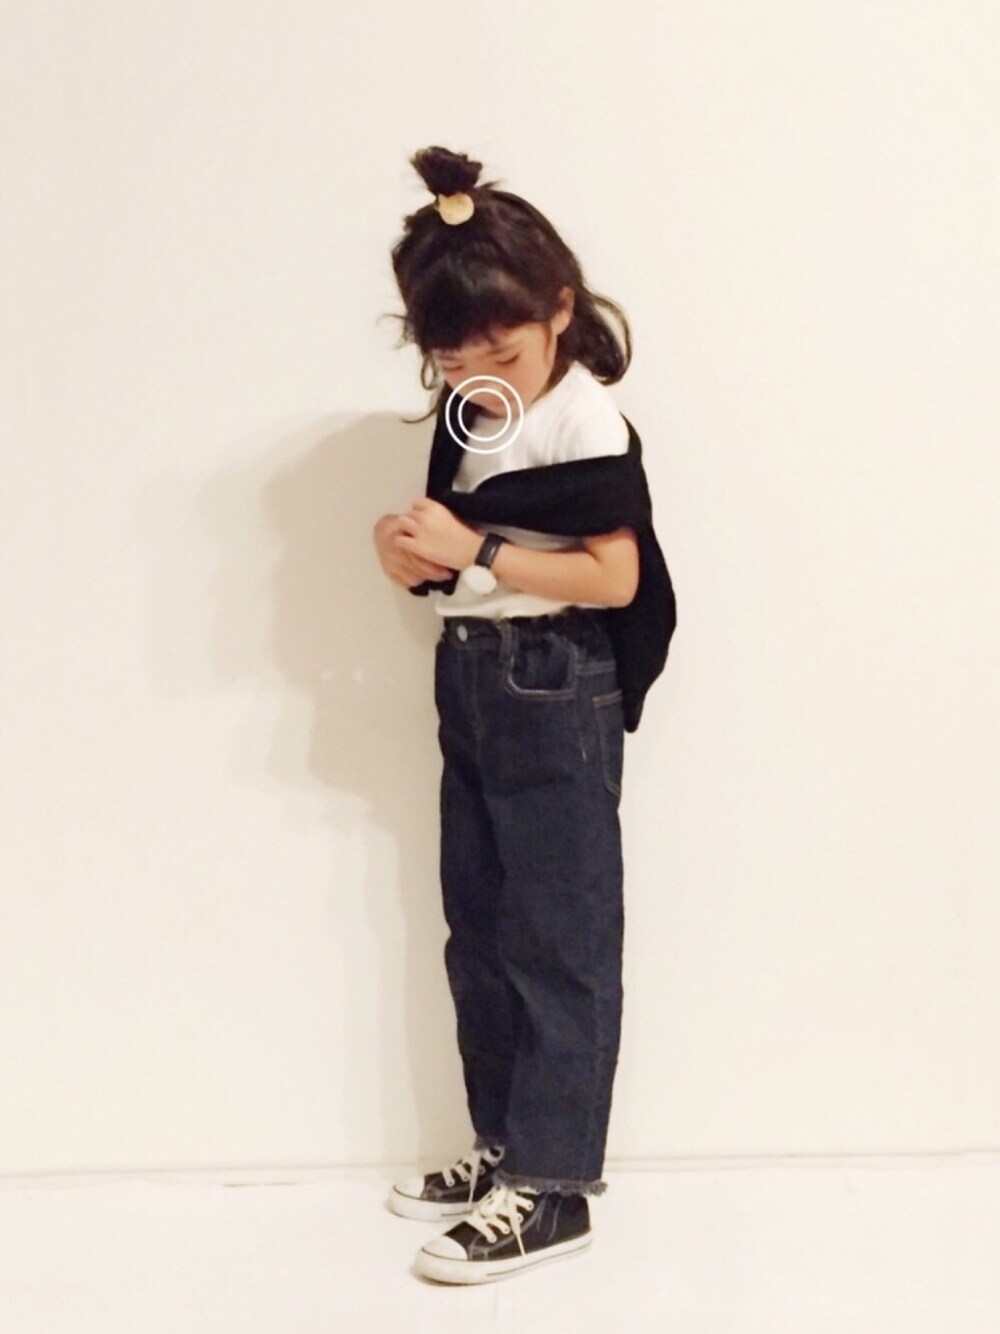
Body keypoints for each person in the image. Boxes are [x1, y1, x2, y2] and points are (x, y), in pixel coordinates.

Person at [372, 145, 658, 1285]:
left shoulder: (585, 420)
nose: (480, 371)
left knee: (560, 936)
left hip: (553, 677)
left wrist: (478, 550)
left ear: (561, 310)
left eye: (505, 349)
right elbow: (448, 534)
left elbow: (615, 576)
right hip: (476, 675)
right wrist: (406, 549)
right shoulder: (471, 412)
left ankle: (555, 1184)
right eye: (454, 355)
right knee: (482, 926)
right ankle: (504, 1148)